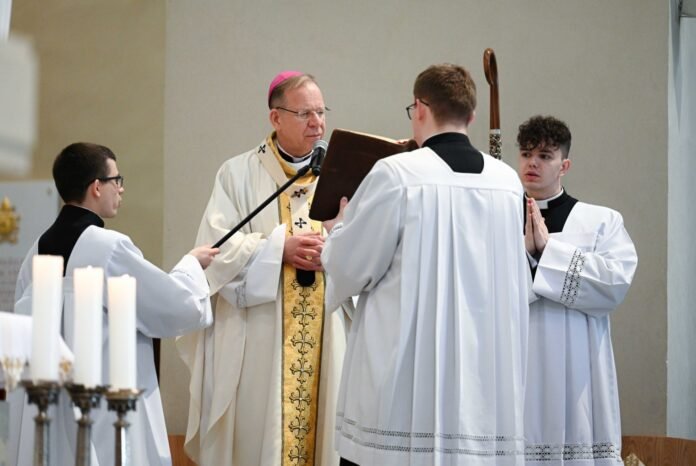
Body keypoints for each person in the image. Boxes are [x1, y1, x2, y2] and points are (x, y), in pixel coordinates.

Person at [320, 63, 530, 466]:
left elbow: (352, 266)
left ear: (419, 107)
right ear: (471, 115)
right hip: (481, 381)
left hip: (405, 379)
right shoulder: (506, 183)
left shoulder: (397, 174)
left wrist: (338, 230)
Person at [9, 142, 219, 466]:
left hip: (48, 411)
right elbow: (172, 306)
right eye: (116, 180)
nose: (120, 189)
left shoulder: (34, 252)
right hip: (104, 408)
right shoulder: (108, 247)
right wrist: (191, 265)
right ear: (96, 186)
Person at [177, 71, 348, 466]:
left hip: (327, 338)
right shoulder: (237, 174)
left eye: (321, 112)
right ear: (276, 118)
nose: (317, 124)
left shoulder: (342, 178)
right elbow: (216, 252)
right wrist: (279, 248)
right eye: (305, 114)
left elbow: (365, 256)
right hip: (259, 342)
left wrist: (338, 242)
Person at [517, 115, 638, 465]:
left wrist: (547, 253)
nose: (533, 163)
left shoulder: (600, 221)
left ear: (564, 165)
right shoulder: (497, 219)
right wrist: (527, 257)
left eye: (544, 156)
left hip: (578, 368)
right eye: (526, 154)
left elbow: (614, 284)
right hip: (519, 360)